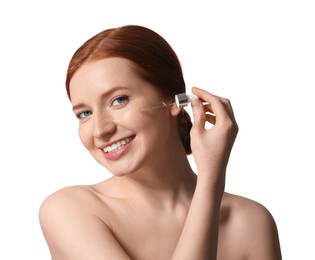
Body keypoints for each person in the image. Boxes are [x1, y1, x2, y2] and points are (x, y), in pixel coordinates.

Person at [39, 25, 282, 260]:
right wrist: (210, 179)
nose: (101, 130)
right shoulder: (69, 211)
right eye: (85, 114)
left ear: (174, 101)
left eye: (119, 100)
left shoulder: (251, 222)